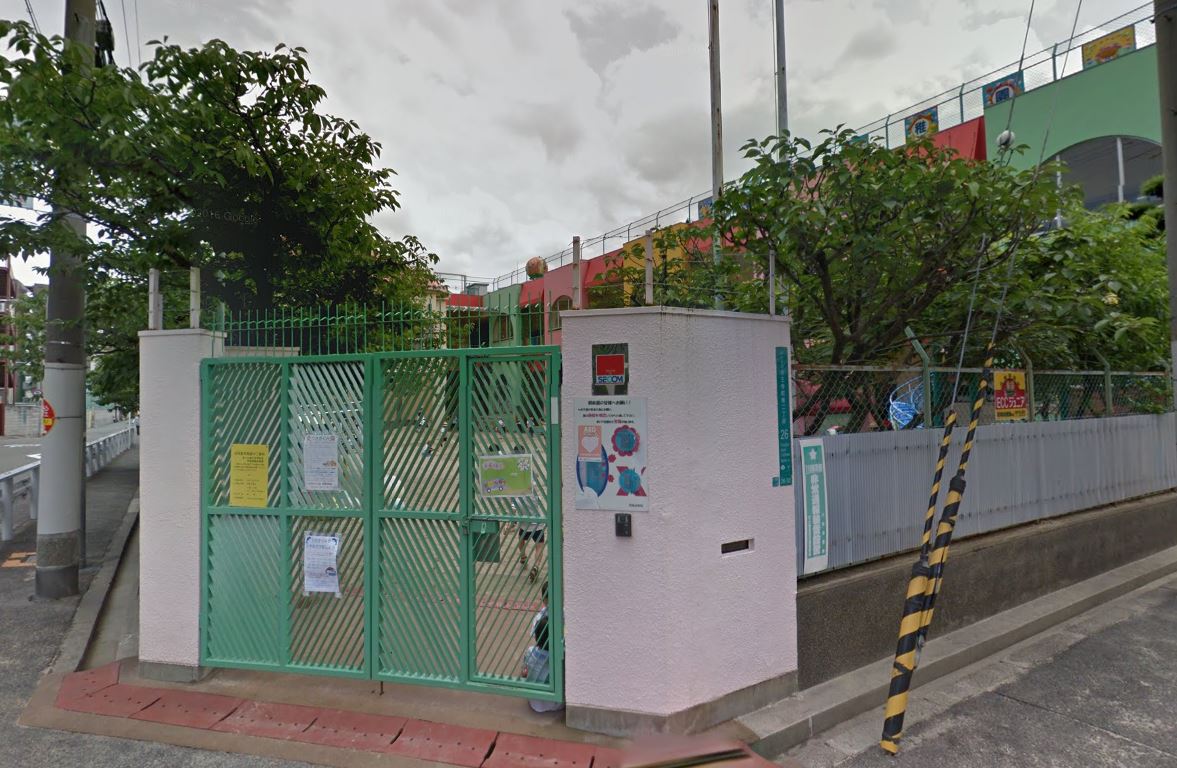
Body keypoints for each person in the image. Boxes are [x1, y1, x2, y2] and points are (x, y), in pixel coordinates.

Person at [522, 615, 562, 713]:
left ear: (536, 636)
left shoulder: (530, 651)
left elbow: (524, 672)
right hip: (555, 704)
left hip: (534, 702)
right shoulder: (559, 656)